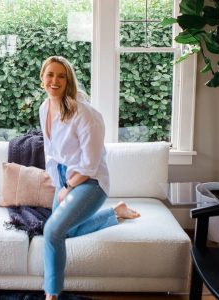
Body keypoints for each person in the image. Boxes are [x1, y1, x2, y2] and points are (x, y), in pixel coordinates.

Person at [39, 56, 140, 300]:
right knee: (67, 231)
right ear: (42, 78)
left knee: (52, 230)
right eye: (50, 74)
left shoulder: (85, 114)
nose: (55, 80)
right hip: (65, 177)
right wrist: (56, 181)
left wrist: (66, 187)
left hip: (90, 182)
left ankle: (51, 294)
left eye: (61, 76)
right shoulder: (44, 108)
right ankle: (115, 212)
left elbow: (91, 164)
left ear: (69, 80)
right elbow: (51, 152)